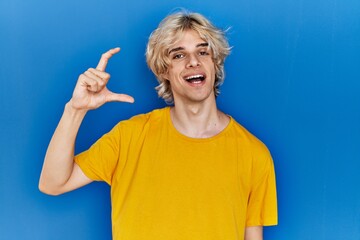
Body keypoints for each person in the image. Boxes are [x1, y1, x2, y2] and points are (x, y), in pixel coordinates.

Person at [39, 11, 277, 240]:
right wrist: (75, 110)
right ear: (165, 71)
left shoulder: (254, 155)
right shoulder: (129, 137)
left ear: (215, 64)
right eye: (178, 55)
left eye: (203, 52)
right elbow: (53, 183)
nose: (193, 61)